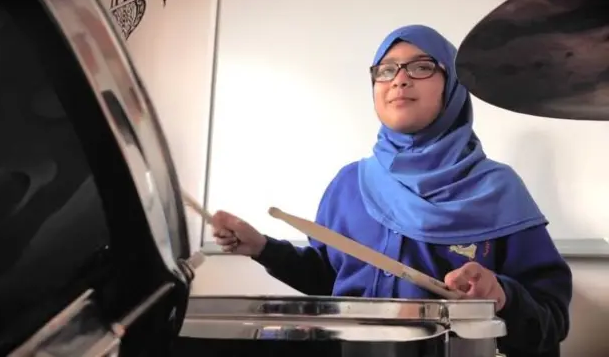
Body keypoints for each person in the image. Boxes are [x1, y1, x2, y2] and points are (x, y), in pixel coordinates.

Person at [210, 24, 572, 357]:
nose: (399, 80)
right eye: (386, 70)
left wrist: (501, 294)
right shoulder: (349, 184)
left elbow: (550, 321)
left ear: (453, 85)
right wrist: (262, 248)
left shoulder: (498, 188)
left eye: (421, 67)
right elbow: (328, 278)